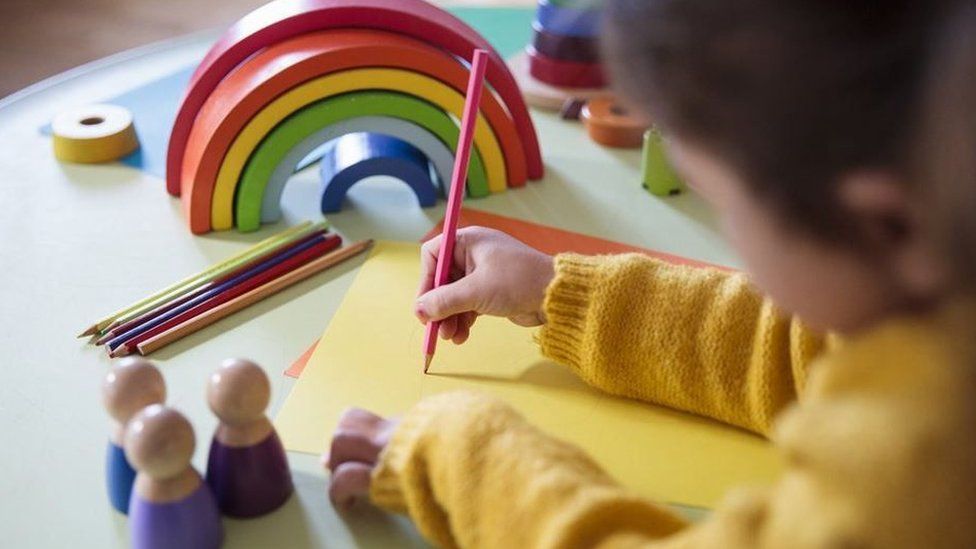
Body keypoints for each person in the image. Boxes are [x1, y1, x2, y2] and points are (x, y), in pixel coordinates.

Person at [323, 1, 976, 547]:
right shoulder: (934, 288)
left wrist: (461, 456)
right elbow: (800, 351)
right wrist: (556, 293)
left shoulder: (918, 476)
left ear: (885, 222)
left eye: (723, 202)